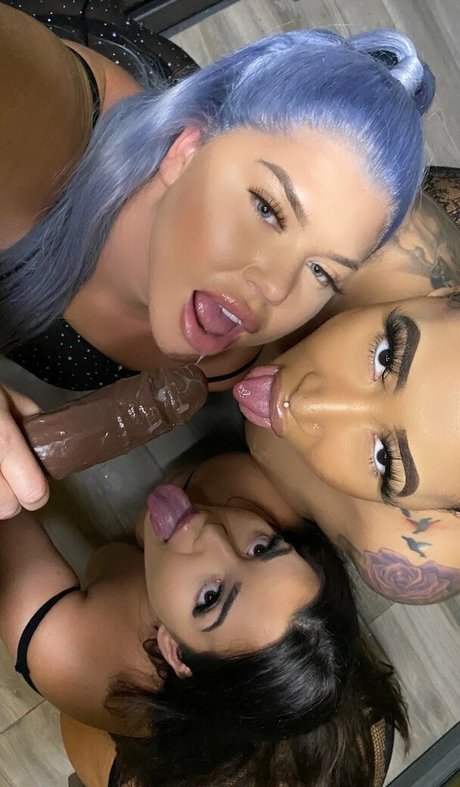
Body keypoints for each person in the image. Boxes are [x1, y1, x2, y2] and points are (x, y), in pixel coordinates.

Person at [0, 3, 437, 518]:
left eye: (322, 271)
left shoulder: (225, 363)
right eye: (267, 208)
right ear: (187, 148)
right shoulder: (39, 114)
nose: (275, 288)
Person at [0, 468, 407, 787]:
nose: (211, 530)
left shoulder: (70, 655)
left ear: (174, 652)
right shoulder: (248, 493)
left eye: (210, 598)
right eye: (262, 548)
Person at [232, 291, 460, 605]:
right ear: (440, 296)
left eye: (384, 458)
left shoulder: (402, 558)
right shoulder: (365, 266)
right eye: (386, 357)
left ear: (436, 511)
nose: (304, 405)